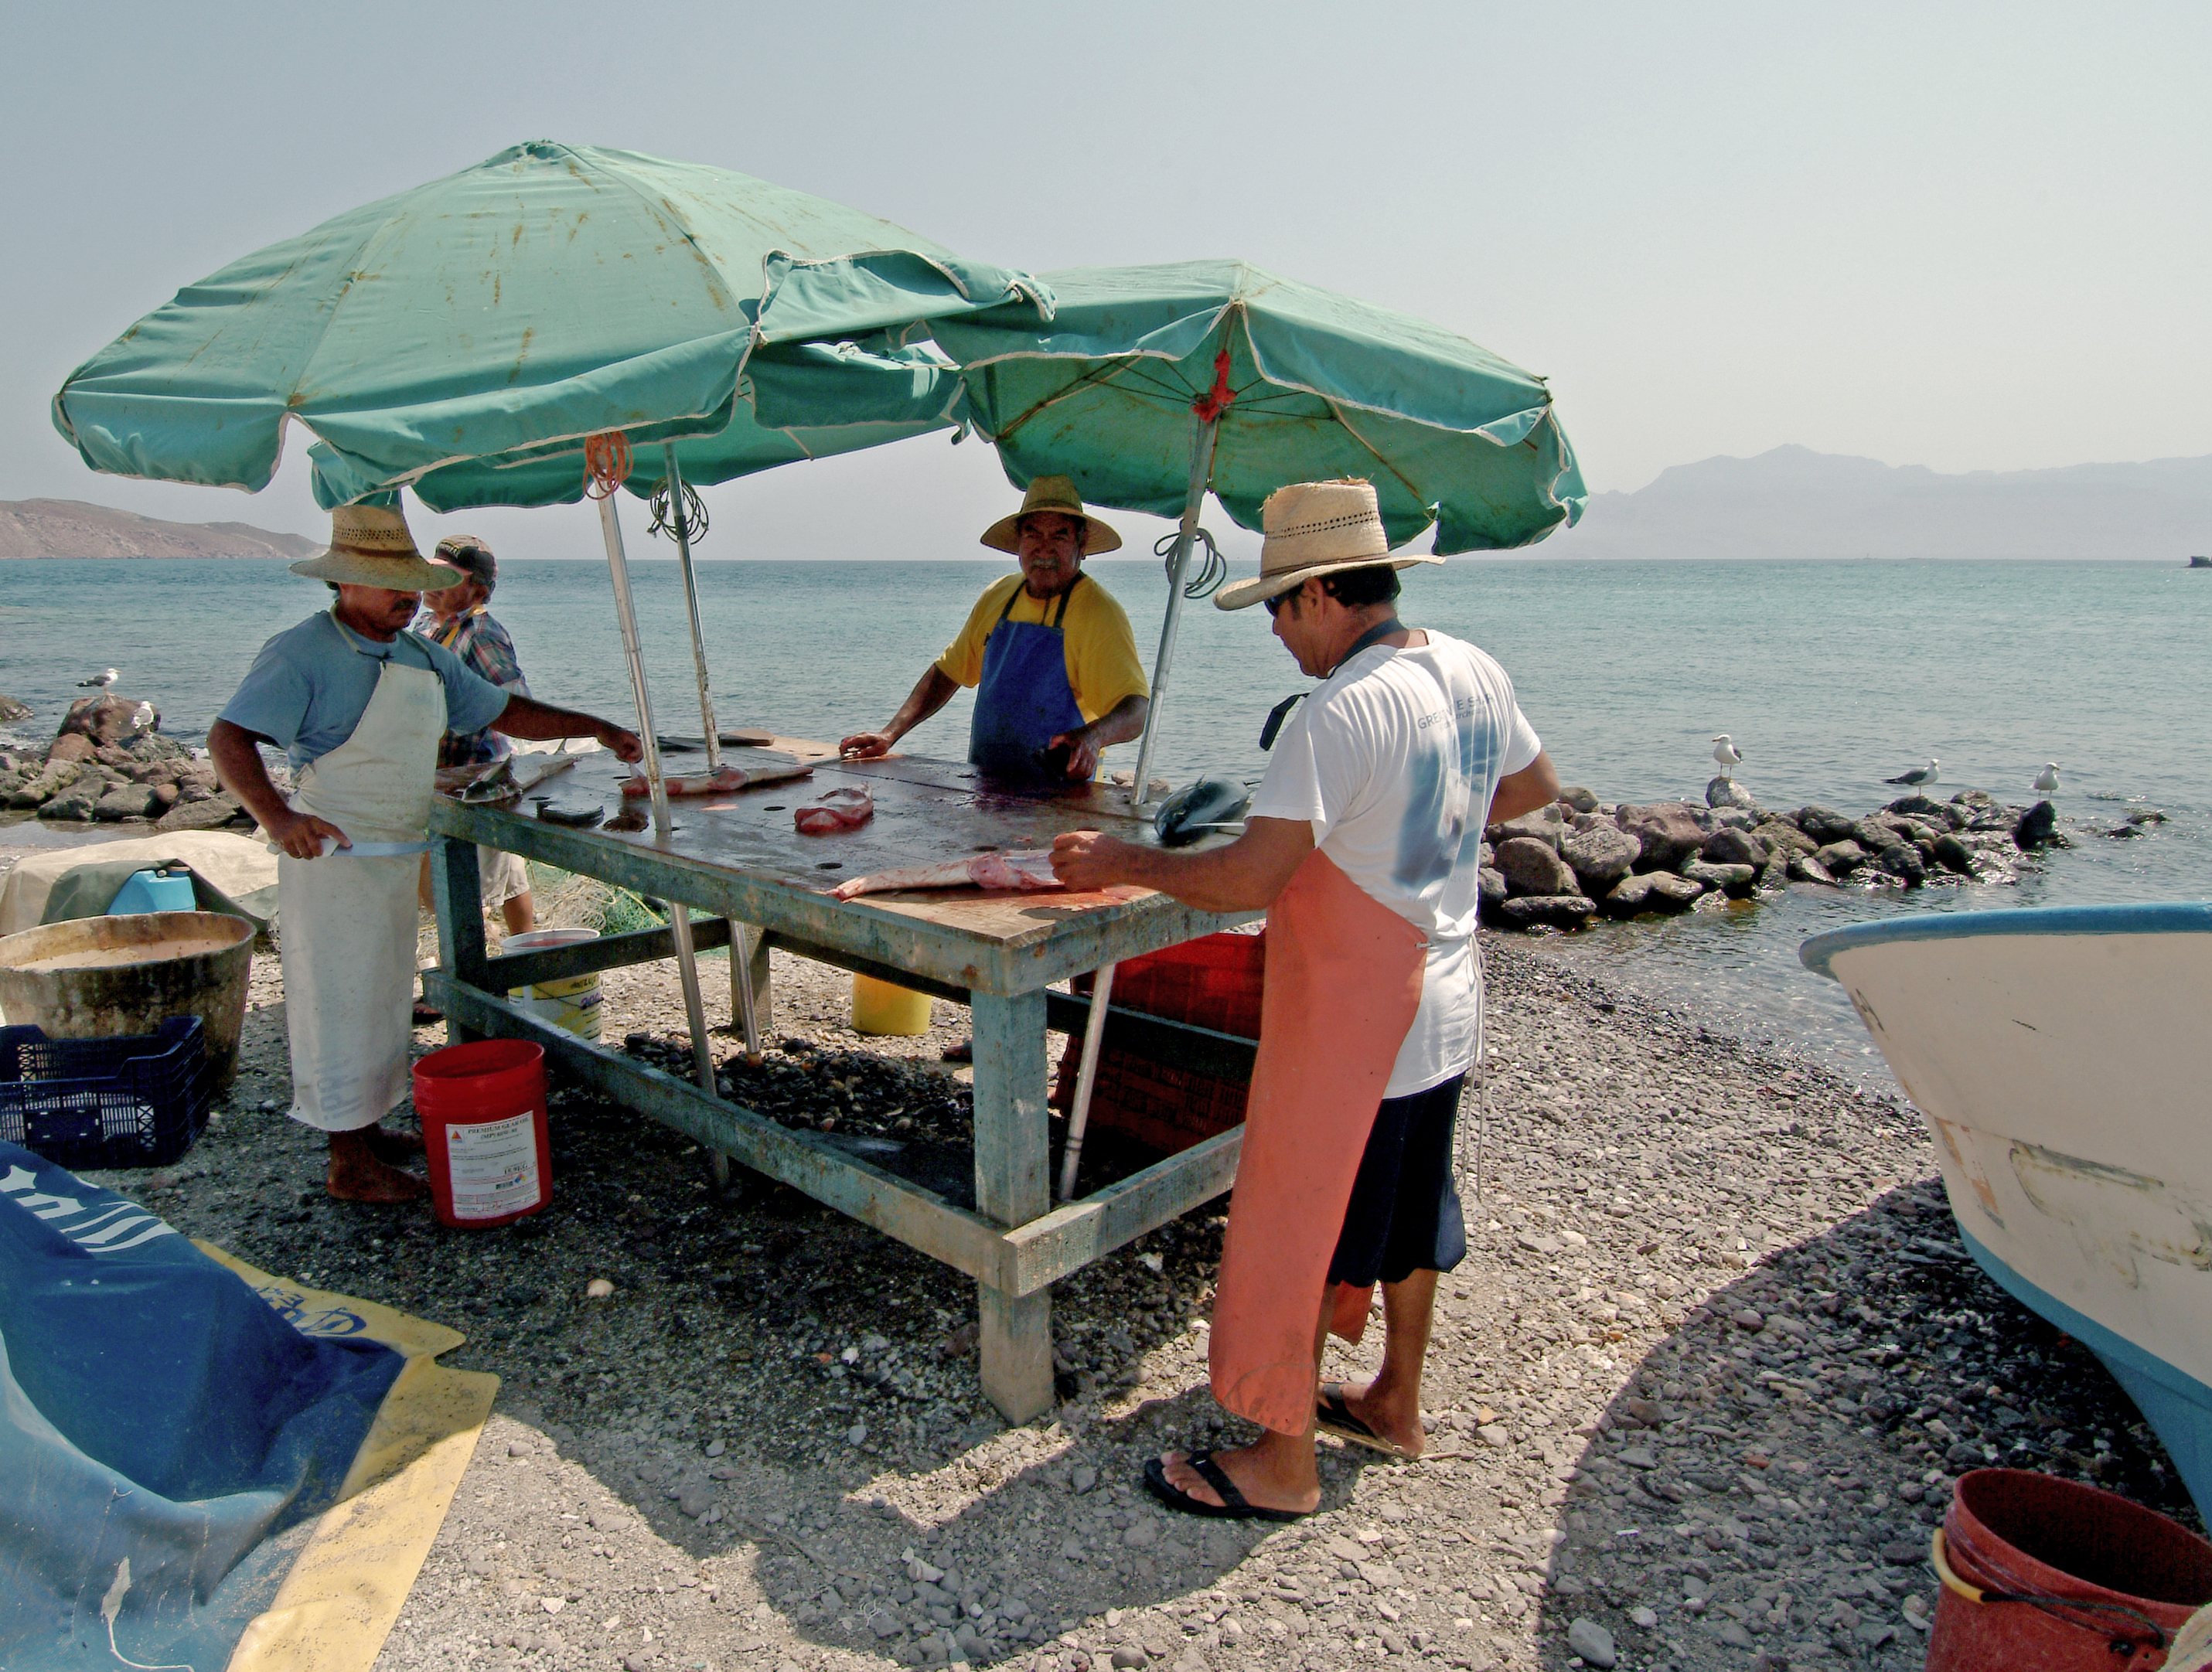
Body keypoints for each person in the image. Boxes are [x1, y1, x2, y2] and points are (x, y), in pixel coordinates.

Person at [1049, 478, 1561, 1520]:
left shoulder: (1336, 711)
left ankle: (1282, 1463)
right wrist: (1430, 833)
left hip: (1354, 1026)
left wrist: (1124, 857)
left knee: (1295, 1227)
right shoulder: (1469, 666)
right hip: (1447, 1000)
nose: (1278, 631)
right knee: (1417, 1208)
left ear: (1324, 592)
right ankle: (1395, 1399)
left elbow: (1245, 879)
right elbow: (1530, 788)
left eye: (1281, 606)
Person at [208, 504, 642, 1204]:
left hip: (396, 843)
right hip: (332, 856)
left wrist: (597, 727)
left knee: (383, 999)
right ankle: (348, 1162)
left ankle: (368, 1130)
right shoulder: (303, 650)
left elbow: (501, 711)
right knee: (340, 1001)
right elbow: (229, 737)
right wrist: (277, 814)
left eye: (412, 583)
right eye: (389, 584)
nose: (407, 598)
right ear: (343, 583)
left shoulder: (421, 654)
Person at [837, 475, 1150, 785]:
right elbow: (948, 672)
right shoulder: (999, 596)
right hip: (988, 786)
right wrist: (890, 733)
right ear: (1018, 542)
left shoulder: (1099, 613)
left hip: (1064, 797)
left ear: (1081, 545)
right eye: (1033, 535)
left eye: (1059, 536)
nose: (1044, 549)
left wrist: (1094, 737)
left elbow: (1137, 709)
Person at [415, 535, 537, 938]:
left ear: (478, 590)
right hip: (445, 774)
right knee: (507, 874)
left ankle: (480, 971)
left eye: (448, 577)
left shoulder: (480, 633)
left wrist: (464, 711)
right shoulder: (429, 623)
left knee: (463, 886)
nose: (433, 582)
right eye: (432, 570)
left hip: (475, 776)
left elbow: (517, 701)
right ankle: (526, 951)